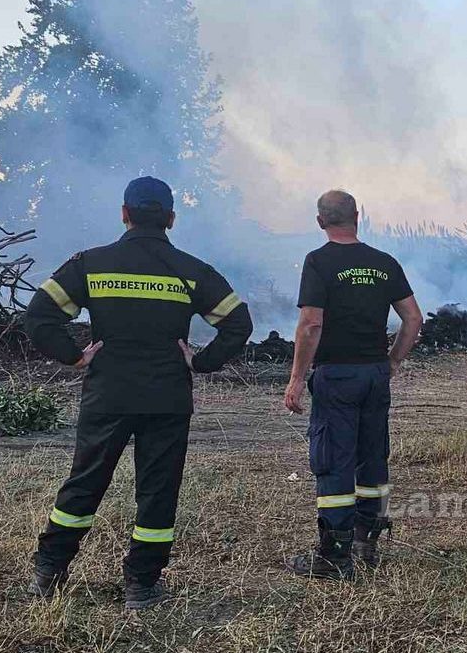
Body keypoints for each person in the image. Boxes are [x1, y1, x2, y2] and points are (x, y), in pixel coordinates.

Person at [25, 176, 253, 609]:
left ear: (125, 214)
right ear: (170, 218)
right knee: (158, 490)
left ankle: (49, 570)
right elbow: (238, 323)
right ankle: (141, 586)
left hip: (108, 394)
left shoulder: (90, 264)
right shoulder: (192, 270)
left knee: (85, 482)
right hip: (167, 398)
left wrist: (73, 356)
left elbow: (39, 317)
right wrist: (201, 361)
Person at [282, 189, 422, 579]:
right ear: (357, 216)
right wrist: (392, 361)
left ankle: (335, 557)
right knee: (372, 457)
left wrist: (295, 379)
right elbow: (412, 319)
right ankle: (367, 544)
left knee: (334, 462)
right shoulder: (383, 263)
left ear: (320, 221)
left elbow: (311, 323)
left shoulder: (319, 261)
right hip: (375, 376)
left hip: (337, 376)